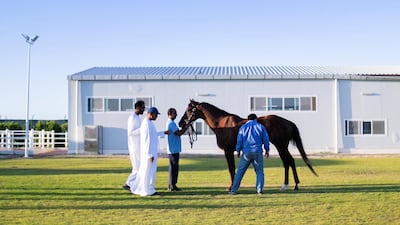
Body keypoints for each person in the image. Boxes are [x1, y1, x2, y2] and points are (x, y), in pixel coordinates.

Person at [229, 113, 270, 195]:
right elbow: (266, 139)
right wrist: (267, 149)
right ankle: (259, 189)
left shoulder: (243, 127)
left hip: (246, 153)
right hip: (258, 152)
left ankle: (234, 190)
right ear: (256, 119)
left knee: (240, 172)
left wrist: (238, 150)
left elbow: (239, 140)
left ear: (248, 119)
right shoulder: (260, 127)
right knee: (259, 172)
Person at [130, 107, 166, 196]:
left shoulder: (149, 123)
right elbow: (146, 140)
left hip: (151, 152)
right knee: (147, 172)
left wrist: (163, 133)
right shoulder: (146, 124)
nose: (157, 117)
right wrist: (148, 154)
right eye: (156, 115)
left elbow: (153, 135)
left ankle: (149, 189)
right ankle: (147, 190)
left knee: (150, 172)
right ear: (150, 114)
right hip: (149, 153)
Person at [123, 100, 145, 191]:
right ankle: (128, 183)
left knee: (138, 167)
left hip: (138, 146)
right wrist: (142, 129)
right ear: (138, 108)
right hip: (134, 146)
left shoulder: (137, 118)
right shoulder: (132, 118)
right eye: (143, 107)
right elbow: (131, 132)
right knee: (137, 167)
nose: (144, 109)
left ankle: (132, 184)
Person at [165, 108, 189, 191]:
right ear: (170, 114)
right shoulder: (171, 123)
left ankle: (172, 185)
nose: (176, 115)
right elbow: (179, 133)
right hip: (173, 149)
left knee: (174, 167)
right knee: (173, 168)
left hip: (174, 148)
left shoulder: (171, 123)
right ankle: (172, 185)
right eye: (175, 113)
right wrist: (186, 127)